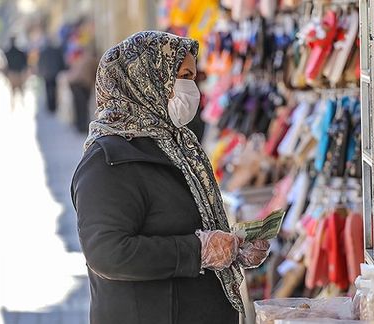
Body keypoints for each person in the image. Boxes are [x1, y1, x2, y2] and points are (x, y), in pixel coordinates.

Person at [70, 31, 270, 324]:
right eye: (184, 75)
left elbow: (185, 221)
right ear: (146, 79)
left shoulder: (177, 145)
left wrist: (232, 248)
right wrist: (198, 251)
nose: (192, 87)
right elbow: (107, 252)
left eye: (193, 76)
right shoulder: (106, 160)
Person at [67, 47, 98, 133]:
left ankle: (79, 125)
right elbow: (97, 74)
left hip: (73, 82)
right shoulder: (94, 60)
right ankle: (83, 127)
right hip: (82, 84)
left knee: (78, 105)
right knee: (83, 106)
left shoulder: (83, 58)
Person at [38, 39, 66, 114]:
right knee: (54, 89)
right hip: (54, 73)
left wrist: (41, 72)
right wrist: (62, 69)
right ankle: (53, 106)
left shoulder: (43, 52)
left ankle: (50, 106)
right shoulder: (56, 51)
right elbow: (61, 61)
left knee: (48, 90)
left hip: (47, 74)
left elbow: (40, 63)